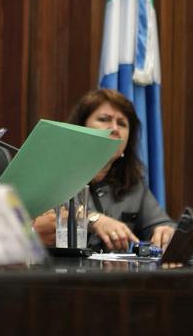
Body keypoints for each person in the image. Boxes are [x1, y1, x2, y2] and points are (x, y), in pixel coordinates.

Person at [66, 88, 175, 251]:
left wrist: (167, 232)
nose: (115, 128)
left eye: (122, 123)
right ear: (81, 127)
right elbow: (47, 216)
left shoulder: (133, 184)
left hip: (114, 274)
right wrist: (93, 219)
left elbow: (161, 224)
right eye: (104, 119)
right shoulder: (58, 171)